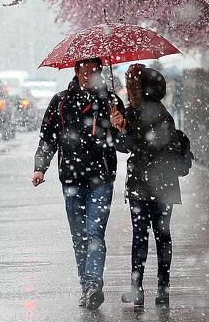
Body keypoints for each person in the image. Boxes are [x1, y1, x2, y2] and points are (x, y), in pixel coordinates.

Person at [31, 58, 124, 310]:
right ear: (76, 71)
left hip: (101, 179)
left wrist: (120, 126)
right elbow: (48, 138)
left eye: (93, 71)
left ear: (100, 72)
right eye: (84, 71)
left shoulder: (111, 102)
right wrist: (40, 167)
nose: (88, 76)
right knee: (79, 236)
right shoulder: (61, 102)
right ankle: (86, 286)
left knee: (95, 233)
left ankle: (94, 283)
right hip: (71, 179)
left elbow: (124, 145)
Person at [110, 64, 181, 308]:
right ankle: (163, 288)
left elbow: (133, 146)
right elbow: (131, 144)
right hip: (164, 183)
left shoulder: (140, 112)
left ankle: (137, 287)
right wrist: (121, 127)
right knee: (163, 235)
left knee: (140, 236)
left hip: (143, 184)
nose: (128, 87)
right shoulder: (163, 112)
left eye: (131, 82)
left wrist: (123, 129)